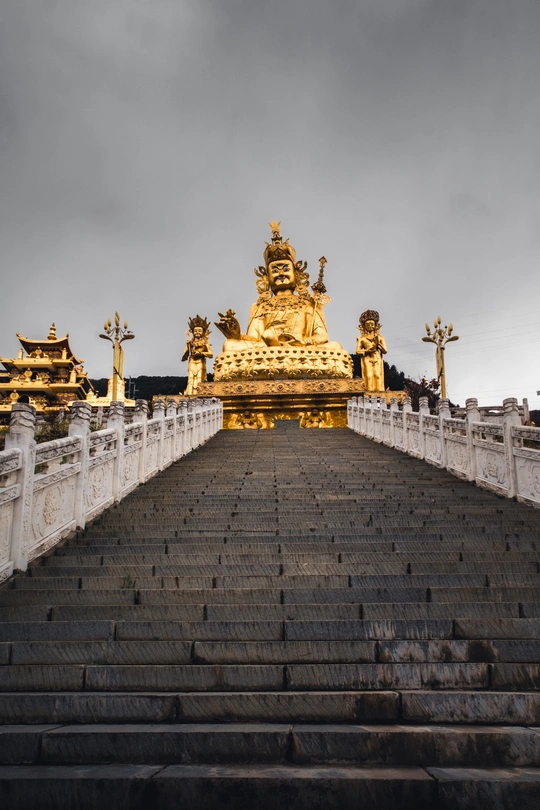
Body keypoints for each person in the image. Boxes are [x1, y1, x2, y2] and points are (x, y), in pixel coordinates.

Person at [215, 222, 342, 352]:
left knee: (335, 347)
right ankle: (276, 345)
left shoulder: (310, 303)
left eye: (286, 269)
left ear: (296, 274)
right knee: (229, 345)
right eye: (275, 270)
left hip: (299, 347)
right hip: (266, 346)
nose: (281, 273)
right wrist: (238, 335)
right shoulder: (259, 307)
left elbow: (322, 336)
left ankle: (278, 347)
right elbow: (254, 339)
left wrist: (302, 342)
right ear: (266, 277)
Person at [356, 309, 387, 391]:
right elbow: (358, 351)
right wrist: (366, 351)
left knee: (377, 375)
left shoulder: (380, 338)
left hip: (376, 357)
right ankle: (369, 392)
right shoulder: (361, 339)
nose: (370, 326)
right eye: (368, 325)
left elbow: (385, 351)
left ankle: (379, 393)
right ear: (364, 326)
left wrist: (378, 344)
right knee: (369, 375)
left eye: (372, 324)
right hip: (367, 357)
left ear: (375, 325)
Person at [182, 316, 213, 396]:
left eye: (199, 330)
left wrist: (201, 353)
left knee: (199, 378)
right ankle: (189, 394)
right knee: (191, 378)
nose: (197, 332)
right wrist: (188, 346)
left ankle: (199, 393)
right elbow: (184, 357)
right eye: (195, 331)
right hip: (192, 361)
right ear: (192, 332)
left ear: (203, 332)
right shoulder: (190, 342)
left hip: (200, 362)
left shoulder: (205, 342)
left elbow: (210, 354)